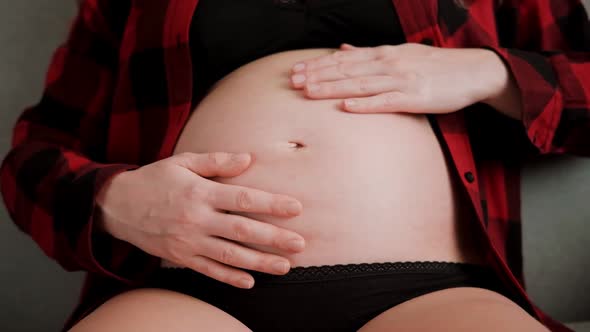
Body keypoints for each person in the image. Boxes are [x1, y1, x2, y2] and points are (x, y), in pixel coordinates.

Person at [1, 0, 588, 331]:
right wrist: (112, 203)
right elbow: (31, 157)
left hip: (430, 289)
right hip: (192, 292)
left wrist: (489, 73)